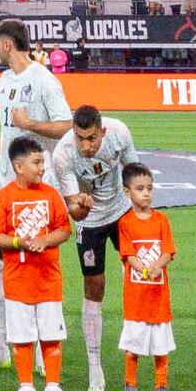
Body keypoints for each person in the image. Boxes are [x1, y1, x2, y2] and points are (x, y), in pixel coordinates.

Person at [0, 23, 64, 365]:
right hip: (5, 188)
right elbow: (4, 128)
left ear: (8, 44)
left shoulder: (44, 80)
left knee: (37, 266)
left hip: (37, 189)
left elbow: (65, 125)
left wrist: (30, 126)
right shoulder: (4, 81)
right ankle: (0, 347)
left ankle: (42, 349)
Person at [0, 131, 73, 391]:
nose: (42, 168)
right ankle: (26, 388)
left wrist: (45, 240)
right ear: (18, 167)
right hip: (17, 282)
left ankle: (53, 388)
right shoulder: (4, 198)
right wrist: (17, 242)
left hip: (48, 281)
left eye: (42, 162)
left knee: (51, 336)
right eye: (36, 163)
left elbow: (65, 229)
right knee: (22, 338)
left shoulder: (51, 194)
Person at [51, 101, 141, 342]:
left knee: (137, 270)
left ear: (102, 132)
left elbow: (134, 172)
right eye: (80, 138)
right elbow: (75, 214)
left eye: (91, 138)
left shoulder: (119, 133)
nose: (86, 146)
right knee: (94, 287)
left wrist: (141, 211)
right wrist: (81, 204)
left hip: (121, 209)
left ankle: (135, 335)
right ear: (73, 132)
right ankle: (94, 364)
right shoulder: (63, 155)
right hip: (90, 221)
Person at [110, 162, 179, 391]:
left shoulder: (161, 220)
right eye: (140, 188)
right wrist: (143, 269)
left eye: (150, 188)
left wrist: (157, 266)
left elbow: (168, 252)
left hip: (159, 298)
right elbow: (128, 255)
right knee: (133, 345)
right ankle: (131, 386)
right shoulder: (125, 223)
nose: (146, 193)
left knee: (161, 346)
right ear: (128, 192)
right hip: (136, 298)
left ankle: (160, 387)